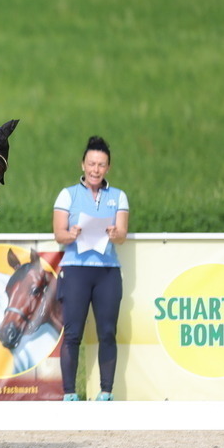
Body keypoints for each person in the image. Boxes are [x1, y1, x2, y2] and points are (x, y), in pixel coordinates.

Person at [52, 136, 129, 401]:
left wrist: (114, 232)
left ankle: (106, 391)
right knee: (72, 332)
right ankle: (70, 393)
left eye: (101, 164)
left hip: (106, 270)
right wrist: (70, 233)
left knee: (107, 331)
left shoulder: (118, 196)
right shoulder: (67, 195)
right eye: (91, 163)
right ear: (83, 164)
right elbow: (58, 234)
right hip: (75, 269)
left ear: (108, 167)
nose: (96, 169)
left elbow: (121, 235)